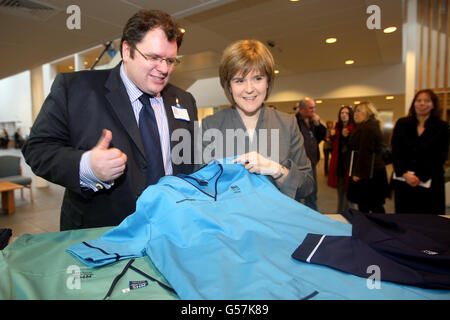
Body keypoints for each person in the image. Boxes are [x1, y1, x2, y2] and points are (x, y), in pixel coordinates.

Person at [22, 9, 198, 230]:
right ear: (127, 50)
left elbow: (189, 164)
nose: (163, 69)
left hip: (171, 228)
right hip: (103, 236)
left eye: (170, 60)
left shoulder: (184, 100)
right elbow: (37, 149)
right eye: (153, 57)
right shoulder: (75, 89)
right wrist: (87, 166)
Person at [197, 39, 314, 200]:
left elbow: (307, 186)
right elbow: (200, 185)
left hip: (276, 220)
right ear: (229, 86)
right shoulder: (211, 125)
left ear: (268, 82)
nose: (249, 89)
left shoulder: (288, 124)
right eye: (239, 80)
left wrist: (275, 169)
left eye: (257, 78)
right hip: (229, 221)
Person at [391, 89, 449, 214]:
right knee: (404, 218)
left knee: (429, 221)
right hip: (404, 180)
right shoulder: (402, 124)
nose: (422, 103)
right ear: (414, 104)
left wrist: (420, 177)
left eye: (427, 101)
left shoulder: (442, 127)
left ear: (433, 105)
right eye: (418, 100)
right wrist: (405, 174)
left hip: (430, 182)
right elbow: (396, 151)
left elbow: (440, 155)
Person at [347, 102, 389, 213]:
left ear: (367, 113)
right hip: (373, 172)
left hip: (369, 174)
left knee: (368, 206)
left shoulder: (367, 128)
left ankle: (371, 229)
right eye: (355, 111)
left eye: (359, 111)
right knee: (375, 205)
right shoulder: (370, 125)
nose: (355, 114)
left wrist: (358, 174)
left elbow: (365, 152)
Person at [294, 98, 326, 210]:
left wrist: (318, 125)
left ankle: (313, 219)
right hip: (297, 164)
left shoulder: (313, 121)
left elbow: (321, 137)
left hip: (311, 163)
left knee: (312, 193)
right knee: (297, 193)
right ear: (302, 109)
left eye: (314, 107)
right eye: (311, 108)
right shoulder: (294, 121)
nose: (314, 110)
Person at [327, 106, 355, 213]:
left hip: (349, 166)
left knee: (349, 195)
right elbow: (331, 145)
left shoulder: (353, 128)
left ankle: (351, 216)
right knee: (340, 192)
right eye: (342, 113)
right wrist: (332, 136)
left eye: (346, 113)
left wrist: (348, 136)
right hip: (339, 165)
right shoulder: (337, 127)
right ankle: (340, 214)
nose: (343, 115)